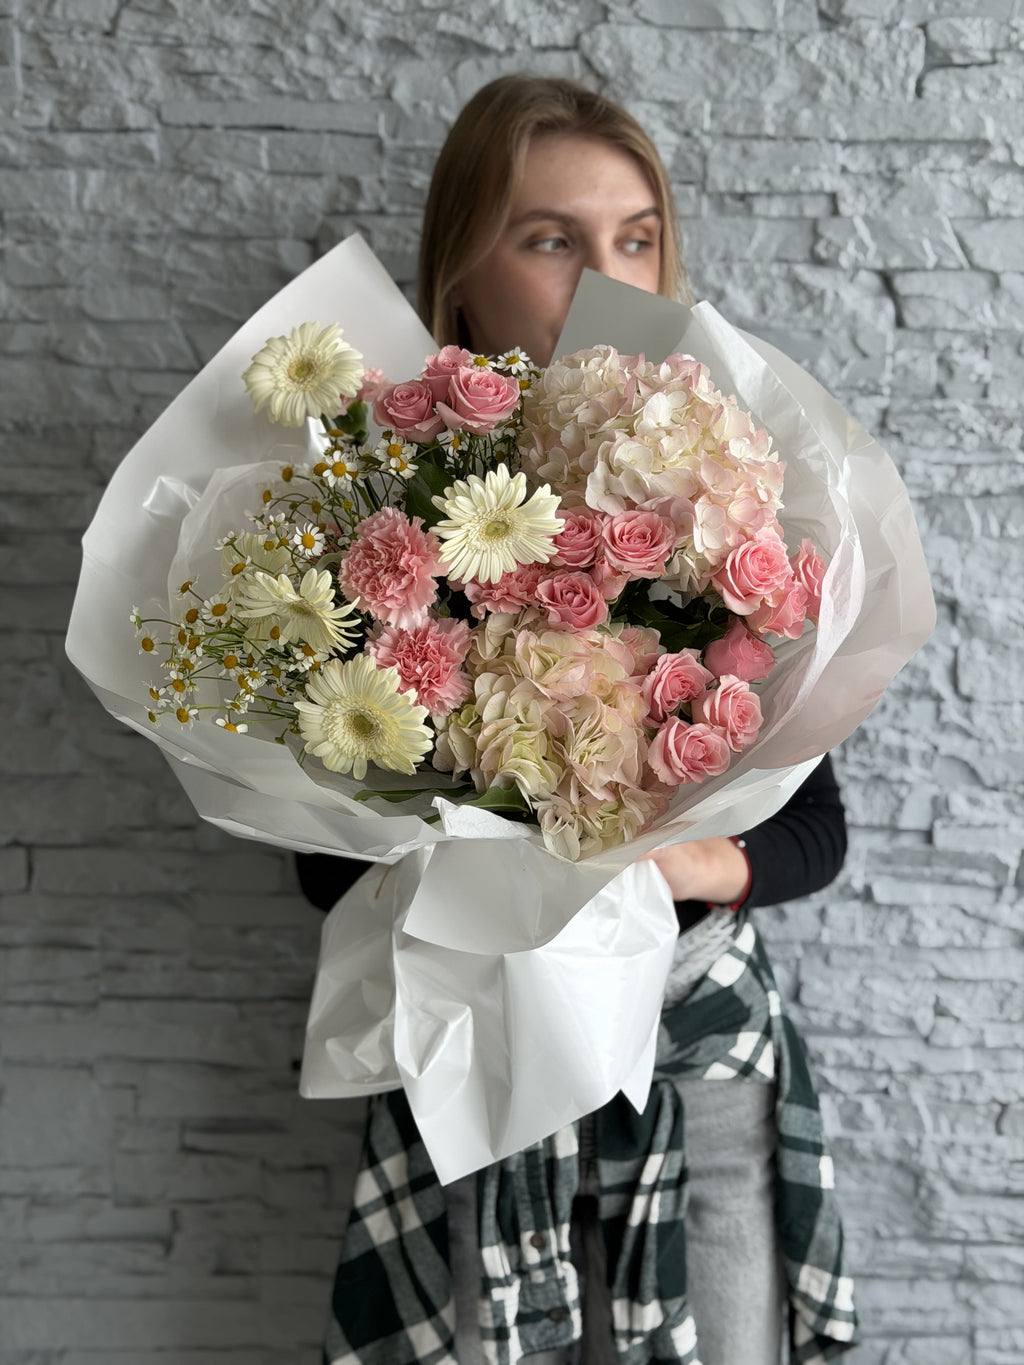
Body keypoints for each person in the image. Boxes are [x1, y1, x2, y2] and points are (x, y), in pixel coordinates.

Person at [298, 76, 857, 1365]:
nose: (606, 274)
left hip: (705, 1064)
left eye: (635, 237)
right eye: (551, 239)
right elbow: (321, 864)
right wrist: (494, 857)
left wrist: (671, 861)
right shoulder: (379, 530)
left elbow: (815, 827)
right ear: (464, 277)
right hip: (483, 1072)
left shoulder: (726, 507)